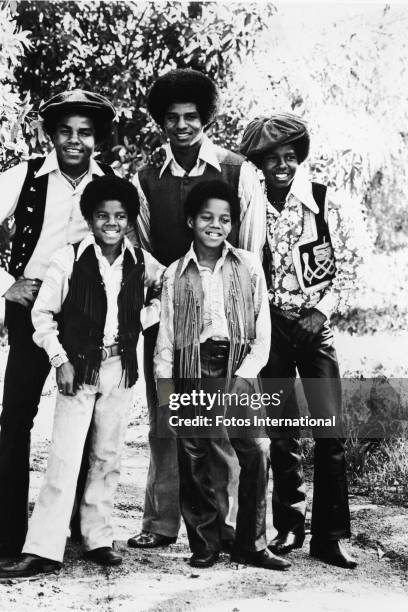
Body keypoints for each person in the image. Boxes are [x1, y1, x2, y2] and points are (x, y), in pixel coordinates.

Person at [0, 90, 116, 565]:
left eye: (84, 132)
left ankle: (81, 532)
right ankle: (5, 534)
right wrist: (6, 284)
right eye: (65, 131)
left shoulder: (106, 184)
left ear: (96, 139)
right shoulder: (24, 176)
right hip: (31, 315)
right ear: (51, 134)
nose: (74, 140)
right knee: (16, 419)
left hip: (86, 321)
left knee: (83, 426)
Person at [0, 176, 165, 578]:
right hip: (79, 369)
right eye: (103, 215)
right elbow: (41, 314)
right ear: (89, 218)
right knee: (66, 457)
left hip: (119, 370)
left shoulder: (141, 260)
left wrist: (142, 319)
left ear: (129, 220)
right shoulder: (68, 258)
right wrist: (59, 359)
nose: (111, 222)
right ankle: (43, 548)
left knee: (107, 456)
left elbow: (166, 287)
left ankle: (97, 538)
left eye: (120, 216)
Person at [128, 68, 266, 550]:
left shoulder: (237, 170)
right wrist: (169, 288)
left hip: (225, 318)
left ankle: (222, 529)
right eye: (172, 118)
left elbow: (249, 251)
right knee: (167, 420)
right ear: (161, 123)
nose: (182, 126)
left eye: (191, 117)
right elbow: (140, 247)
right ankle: (161, 523)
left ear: (204, 119)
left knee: (223, 426)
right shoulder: (146, 179)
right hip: (169, 316)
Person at [240, 112, 362, 569]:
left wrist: (320, 311)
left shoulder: (325, 202)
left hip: (315, 329)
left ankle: (331, 537)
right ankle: (289, 525)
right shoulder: (251, 206)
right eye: (272, 159)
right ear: (259, 163)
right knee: (282, 430)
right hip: (270, 329)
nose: (282, 166)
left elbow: (351, 267)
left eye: (290, 157)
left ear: (300, 158)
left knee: (330, 433)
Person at [154, 179, 290, 571]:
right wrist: (166, 393)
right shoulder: (174, 274)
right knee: (195, 453)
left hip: (238, 364)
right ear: (191, 221)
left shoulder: (248, 265)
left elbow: (262, 330)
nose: (216, 225)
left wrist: (247, 374)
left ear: (233, 224)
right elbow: (165, 338)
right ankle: (205, 543)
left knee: (256, 448)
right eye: (207, 217)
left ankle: (252, 542)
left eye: (225, 219)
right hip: (193, 366)